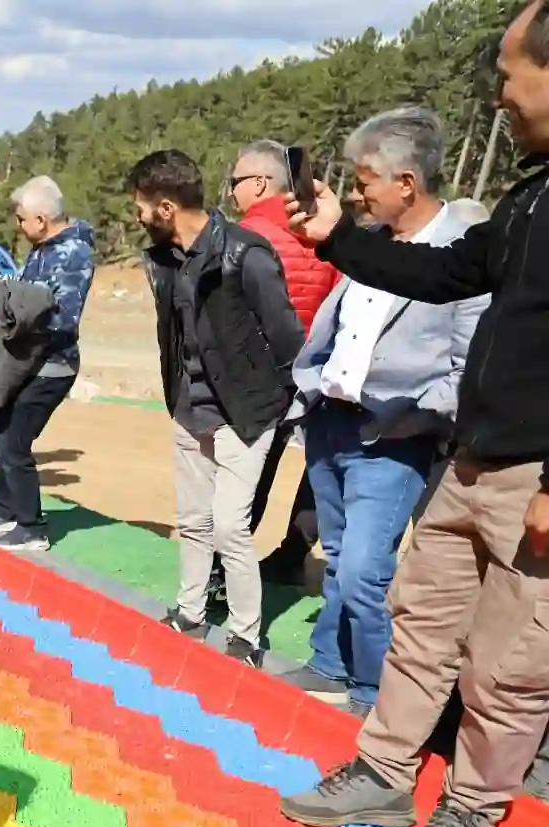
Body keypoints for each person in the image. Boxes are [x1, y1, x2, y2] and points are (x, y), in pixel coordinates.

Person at [277, 0, 549, 827]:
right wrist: (342, 238)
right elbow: (441, 274)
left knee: (512, 661)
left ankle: (472, 803)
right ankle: (386, 772)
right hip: (473, 463)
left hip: (536, 478)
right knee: (420, 623)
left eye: (510, 76)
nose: (499, 95)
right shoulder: (531, 193)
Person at [278, 107, 488, 720]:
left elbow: (467, 367)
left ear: (406, 184)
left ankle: (374, 693)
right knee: (338, 557)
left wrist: (410, 417)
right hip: (332, 421)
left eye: (365, 178)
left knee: (368, 571)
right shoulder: (369, 244)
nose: (355, 190)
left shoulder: (464, 256)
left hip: (395, 436)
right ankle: (330, 662)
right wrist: (315, 387)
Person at [128, 149, 305, 667]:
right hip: (190, 411)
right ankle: (190, 610)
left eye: (140, 207)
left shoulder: (246, 254)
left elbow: (288, 339)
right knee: (193, 520)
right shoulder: (163, 261)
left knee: (230, 525)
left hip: (244, 415)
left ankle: (246, 635)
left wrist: (274, 406)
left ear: (165, 207)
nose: (136, 217)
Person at [222, 140, 346, 591]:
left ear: (259, 184)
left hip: (257, 374)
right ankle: (293, 553)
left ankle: (223, 572)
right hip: (316, 368)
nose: (232, 193)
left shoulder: (244, 236)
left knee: (249, 470)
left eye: (235, 182)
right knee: (319, 468)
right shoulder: (323, 233)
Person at [0, 177, 96, 552]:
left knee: (14, 442)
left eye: (22, 219)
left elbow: (62, 318)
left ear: (41, 219)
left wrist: (12, 307)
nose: (18, 226)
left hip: (51, 364)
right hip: (25, 359)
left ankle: (32, 528)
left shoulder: (73, 253)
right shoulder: (43, 249)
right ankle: (7, 508)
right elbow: (27, 288)